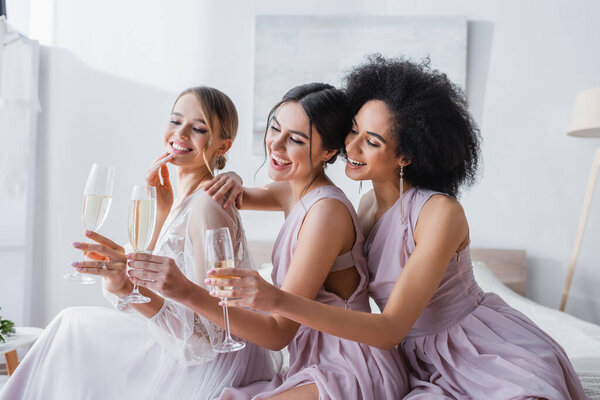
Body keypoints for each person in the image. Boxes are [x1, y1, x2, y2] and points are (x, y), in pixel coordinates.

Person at [205, 56, 587, 399]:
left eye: (370, 142)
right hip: (414, 362)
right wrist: (232, 177)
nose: (351, 148)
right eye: (352, 131)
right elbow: (271, 192)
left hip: (480, 352)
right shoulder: (364, 206)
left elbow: (389, 329)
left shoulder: (441, 213)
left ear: (405, 154)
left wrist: (274, 299)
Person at [127, 82, 409, 399]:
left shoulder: (326, 212)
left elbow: (278, 334)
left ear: (327, 152)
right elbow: (228, 196)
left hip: (350, 368)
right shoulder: (292, 188)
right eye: (274, 129)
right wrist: (228, 178)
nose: (276, 145)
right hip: (309, 364)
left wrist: (187, 291)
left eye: (296, 140)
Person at [0, 86, 279, 400]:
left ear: (221, 146)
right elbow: (155, 282)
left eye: (199, 128)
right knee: (73, 330)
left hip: (206, 363)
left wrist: (129, 290)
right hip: (177, 342)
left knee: (73, 329)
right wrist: (160, 213)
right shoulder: (176, 200)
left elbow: (207, 335)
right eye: (175, 121)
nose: (181, 133)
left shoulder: (208, 205)